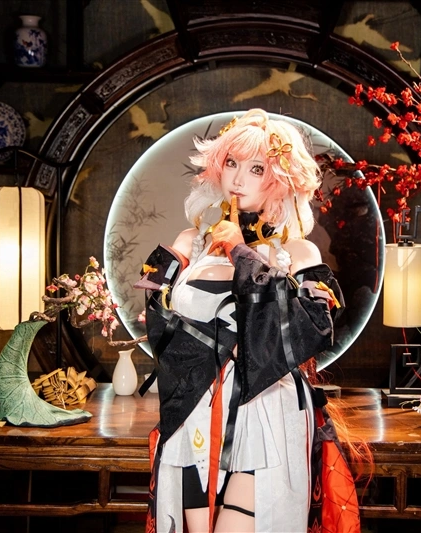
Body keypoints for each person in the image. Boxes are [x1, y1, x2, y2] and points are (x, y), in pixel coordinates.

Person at [136, 109, 362, 533]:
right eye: (231, 163)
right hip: (194, 403)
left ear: (280, 180)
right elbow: (157, 317)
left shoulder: (298, 253)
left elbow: (312, 328)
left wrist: (241, 252)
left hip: (265, 407)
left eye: (257, 168)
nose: (238, 179)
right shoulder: (190, 243)